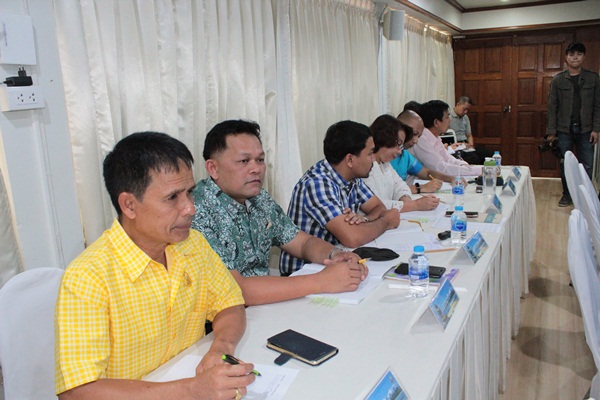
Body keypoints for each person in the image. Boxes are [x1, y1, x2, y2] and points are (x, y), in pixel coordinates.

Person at [55, 132, 254, 400]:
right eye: (172, 198)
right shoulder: (88, 277)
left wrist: (221, 347)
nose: (190, 208)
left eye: (190, 193)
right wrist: (192, 391)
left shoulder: (192, 244)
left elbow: (230, 303)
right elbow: (76, 390)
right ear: (129, 205)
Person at [191, 119, 366, 302]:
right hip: (229, 313)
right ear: (213, 168)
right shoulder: (197, 211)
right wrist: (322, 281)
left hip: (266, 304)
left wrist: (334, 255)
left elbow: (302, 242)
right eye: (244, 161)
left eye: (260, 160)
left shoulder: (259, 198)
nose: (256, 169)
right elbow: (236, 290)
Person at [280, 120, 400, 275]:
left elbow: (378, 207)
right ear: (350, 160)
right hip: (305, 272)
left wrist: (365, 220)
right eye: (370, 153)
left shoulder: (352, 177)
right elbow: (353, 237)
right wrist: (386, 221)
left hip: (337, 260)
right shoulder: (317, 184)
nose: (373, 159)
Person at [547, 42, 600, 207]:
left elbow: (598, 106)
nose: (575, 57)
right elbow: (552, 107)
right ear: (566, 57)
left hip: (586, 129)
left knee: (587, 165)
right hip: (564, 130)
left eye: (579, 54)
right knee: (566, 165)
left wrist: (596, 129)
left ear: (583, 57)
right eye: (571, 54)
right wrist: (551, 132)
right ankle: (567, 195)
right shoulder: (558, 80)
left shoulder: (593, 78)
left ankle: (585, 196)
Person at [364, 114, 440, 212]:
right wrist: (415, 205)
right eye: (398, 145)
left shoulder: (385, 164)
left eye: (401, 146)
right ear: (384, 137)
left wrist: (405, 198)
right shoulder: (365, 167)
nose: (400, 151)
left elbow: (400, 185)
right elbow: (376, 205)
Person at [411, 100, 483, 177]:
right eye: (447, 117)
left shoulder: (435, 137)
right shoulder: (421, 139)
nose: (450, 120)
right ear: (436, 122)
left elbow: (448, 158)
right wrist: (478, 170)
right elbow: (440, 168)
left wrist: (463, 165)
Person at [391, 109, 457, 190]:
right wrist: (421, 188)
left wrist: (451, 178)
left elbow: (426, 173)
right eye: (414, 134)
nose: (416, 141)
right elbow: (388, 190)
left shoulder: (405, 155)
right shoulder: (386, 155)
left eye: (419, 136)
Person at [448, 95, 494, 164]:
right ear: (458, 104)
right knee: (474, 159)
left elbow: (469, 135)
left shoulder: (465, 117)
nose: (466, 112)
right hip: (456, 145)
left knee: (489, 154)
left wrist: (471, 146)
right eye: (464, 109)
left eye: (467, 110)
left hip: (466, 144)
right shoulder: (448, 117)